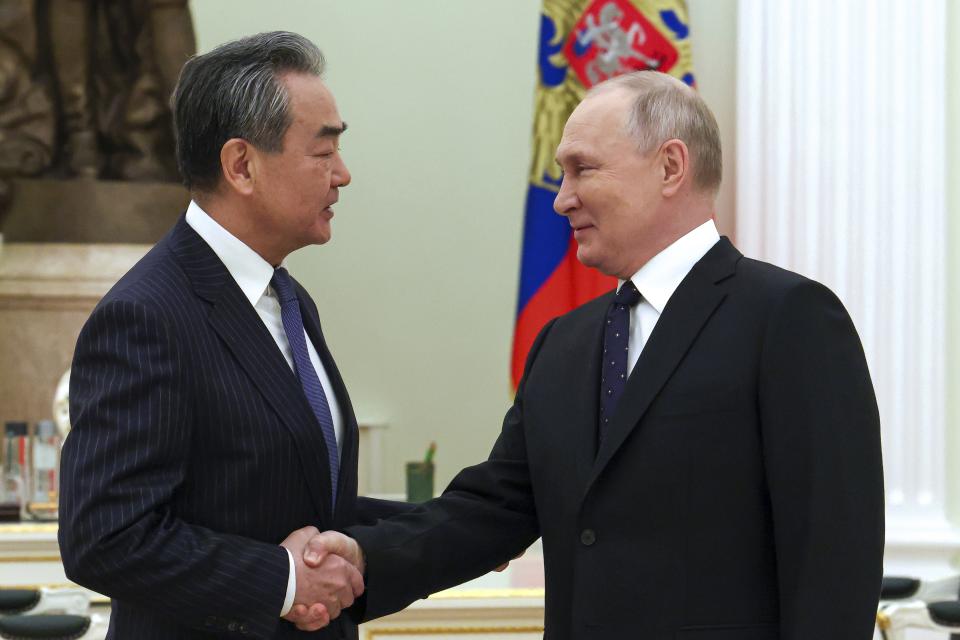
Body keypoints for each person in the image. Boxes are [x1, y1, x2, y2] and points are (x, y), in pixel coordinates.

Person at [306, 71, 886, 640]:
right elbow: (494, 510)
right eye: (561, 174)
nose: (562, 200)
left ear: (670, 167)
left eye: (582, 169)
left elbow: (833, 555)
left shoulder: (789, 319)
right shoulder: (565, 343)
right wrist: (362, 558)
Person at [58, 31, 408, 639]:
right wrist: (282, 580)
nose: (343, 174)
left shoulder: (288, 299)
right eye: (323, 152)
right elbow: (105, 537)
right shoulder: (146, 316)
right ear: (241, 165)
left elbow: (301, 498)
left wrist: (454, 524)